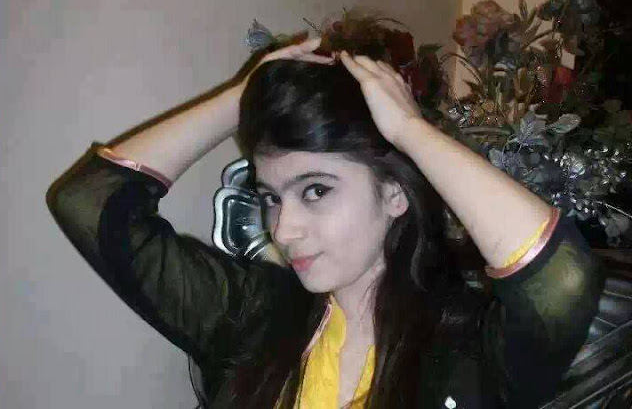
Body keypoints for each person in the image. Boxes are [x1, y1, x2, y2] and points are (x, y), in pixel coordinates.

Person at [48, 32, 604, 408]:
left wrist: (411, 132)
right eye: (271, 196)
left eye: (316, 190)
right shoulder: (249, 314)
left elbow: (564, 281)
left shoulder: (466, 344)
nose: (282, 229)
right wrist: (243, 96)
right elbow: (90, 202)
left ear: (394, 192)